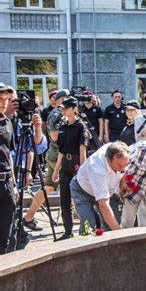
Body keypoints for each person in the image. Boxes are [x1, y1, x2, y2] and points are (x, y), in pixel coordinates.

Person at [22, 93, 65, 231]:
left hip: (57, 155)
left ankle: (28, 217)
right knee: (71, 185)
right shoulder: (57, 114)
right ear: (62, 99)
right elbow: (54, 136)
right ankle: (80, 218)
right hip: (58, 156)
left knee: (49, 187)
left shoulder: (60, 113)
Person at [52, 97, 89, 240]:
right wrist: (56, 170)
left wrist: (82, 170)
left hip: (76, 163)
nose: (64, 110)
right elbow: (61, 151)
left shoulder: (81, 126)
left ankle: (86, 228)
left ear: (74, 109)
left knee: (80, 198)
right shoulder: (62, 127)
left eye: (66, 108)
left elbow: (82, 150)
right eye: (62, 108)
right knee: (64, 199)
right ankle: (68, 231)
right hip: (65, 166)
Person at [71, 142, 128, 233]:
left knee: (114, 222)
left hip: (109, 190)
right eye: (119, 166)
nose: (123, 169)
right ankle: (87, 246)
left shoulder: (121, 152)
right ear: (109, 160)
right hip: (82, 190)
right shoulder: (97, 170)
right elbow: (104, 205)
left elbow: (127, 168)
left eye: (125, 165)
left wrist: (123, 179)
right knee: (89, 226)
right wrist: (119, 234)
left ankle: (112, 246)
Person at [0, 83, 19, 254]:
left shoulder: (7, 122)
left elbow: (9, 155)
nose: (4, 102)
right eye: (0, 98)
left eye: (6, 99)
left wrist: (13, 184)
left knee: (6, 234)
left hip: (6, 183)